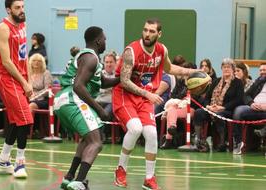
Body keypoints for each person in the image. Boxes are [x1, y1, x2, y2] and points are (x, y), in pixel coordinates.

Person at [112, 18, 197, 189]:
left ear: (159, 34)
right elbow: (124, 80)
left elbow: (170, 68)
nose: (147, 34)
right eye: (145, 30)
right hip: (124, 94)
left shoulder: (161, 50)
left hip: (144, 97)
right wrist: (147, 94)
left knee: (151, 134)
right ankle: (121, 169)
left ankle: (149, 178)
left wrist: (194, 71)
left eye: (151, 31)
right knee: (135, 129)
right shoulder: (131, 51)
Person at [54, 26, 120, 190]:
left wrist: (122, 78)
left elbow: (103, 82)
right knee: (97, 143)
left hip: (63, 100)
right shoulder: (91, 58)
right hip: (73, 99)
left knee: (88, 139)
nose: (105, 41)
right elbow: (78, 86)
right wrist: (100, 109)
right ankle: (80, 181)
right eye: (104, 39)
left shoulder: (90, 57)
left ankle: (70, 177)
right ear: (98, 40)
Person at [0, 0, 33, 179]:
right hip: (8, 78)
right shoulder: (3, 28)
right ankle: (19, 164)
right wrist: (23, 82)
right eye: (17, 8)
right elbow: (7, 61)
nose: (21, 10)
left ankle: (2, 161)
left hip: (22, 77)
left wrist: (29, 80)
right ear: (9, 10)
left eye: (23, 7)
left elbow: (25, 55)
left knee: (18, 120)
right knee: (26, 119)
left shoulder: (23, 24)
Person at [194, 58, 244, 152]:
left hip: (228, 110)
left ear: (233, 69)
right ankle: (200, 141)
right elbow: (207, 97)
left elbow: (238, 100)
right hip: (212, 108)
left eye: (228, 67)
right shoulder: (216, 81)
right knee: (198, 113)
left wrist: (223, 107)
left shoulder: (238, 83)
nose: (226, 69)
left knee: (219, 116)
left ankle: (222, 143)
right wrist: (208, 106)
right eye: (224, 67)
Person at [232, 63, 266, 155]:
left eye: (265, 70)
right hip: (254, 108)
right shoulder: (259, 81)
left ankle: (263, 131)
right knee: (238, 110)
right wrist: (251, 103)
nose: (262, 72)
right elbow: (246, 95)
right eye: (261, 70)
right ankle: (238, 143)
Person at [96, 51, 117, 143]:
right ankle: (94, 135)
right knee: (89, 111)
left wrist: (105, 86)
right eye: (107, 62)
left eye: (111, 62)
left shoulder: (118, 75)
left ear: (115, 63)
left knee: (105, 113)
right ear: (103, 63)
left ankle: (101, 135)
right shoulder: (98, 74)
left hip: (111, 101)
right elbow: (97, 87)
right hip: (98, 100)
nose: (109, 64)